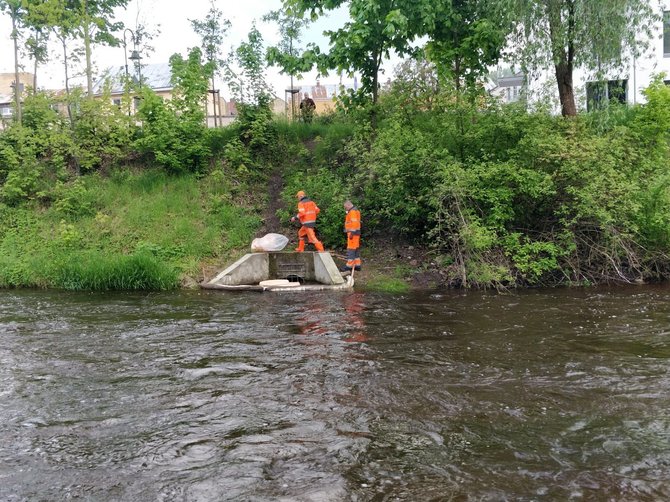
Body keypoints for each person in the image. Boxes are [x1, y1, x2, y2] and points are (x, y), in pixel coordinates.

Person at [342, 200, 361, 272]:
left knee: (351, 249)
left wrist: (352, 233)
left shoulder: (352, 212)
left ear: (348, 205)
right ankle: (357, 265)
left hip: (353, 234)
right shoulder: (356, 211)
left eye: (345, 207)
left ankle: (349, 266)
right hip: (356, 233)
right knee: (355, 249)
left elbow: (354, 223)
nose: (345, 209)